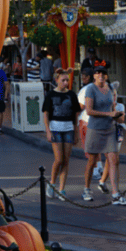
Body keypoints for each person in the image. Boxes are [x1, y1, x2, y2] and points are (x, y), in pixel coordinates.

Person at [82, 68, 126, 204]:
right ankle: (87, 189)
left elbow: (112, 107)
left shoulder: (110, 89)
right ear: (94, 76)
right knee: (92, 161)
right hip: (95, 129)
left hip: (110, 129)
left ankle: (115, 194)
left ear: (107, 76)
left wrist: (118, 116)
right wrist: (108, 114)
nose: (101, 75)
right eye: (98, 73)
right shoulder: (90, 88)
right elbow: (89, 111)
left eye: (103, 73)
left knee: (113, 160)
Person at [42, 69, 80, 201]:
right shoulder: (51, 95)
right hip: (56, 128)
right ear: (57, 80)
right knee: (59, 159)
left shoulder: (71, 95)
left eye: (67, 80)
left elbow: (76, 114)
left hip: (68, 128)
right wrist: (48, 131)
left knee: (66, 160)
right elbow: (46, 113)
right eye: (63, 80)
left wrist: (76, 132)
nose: (65, 82)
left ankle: (62, 189)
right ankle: (52, 183)